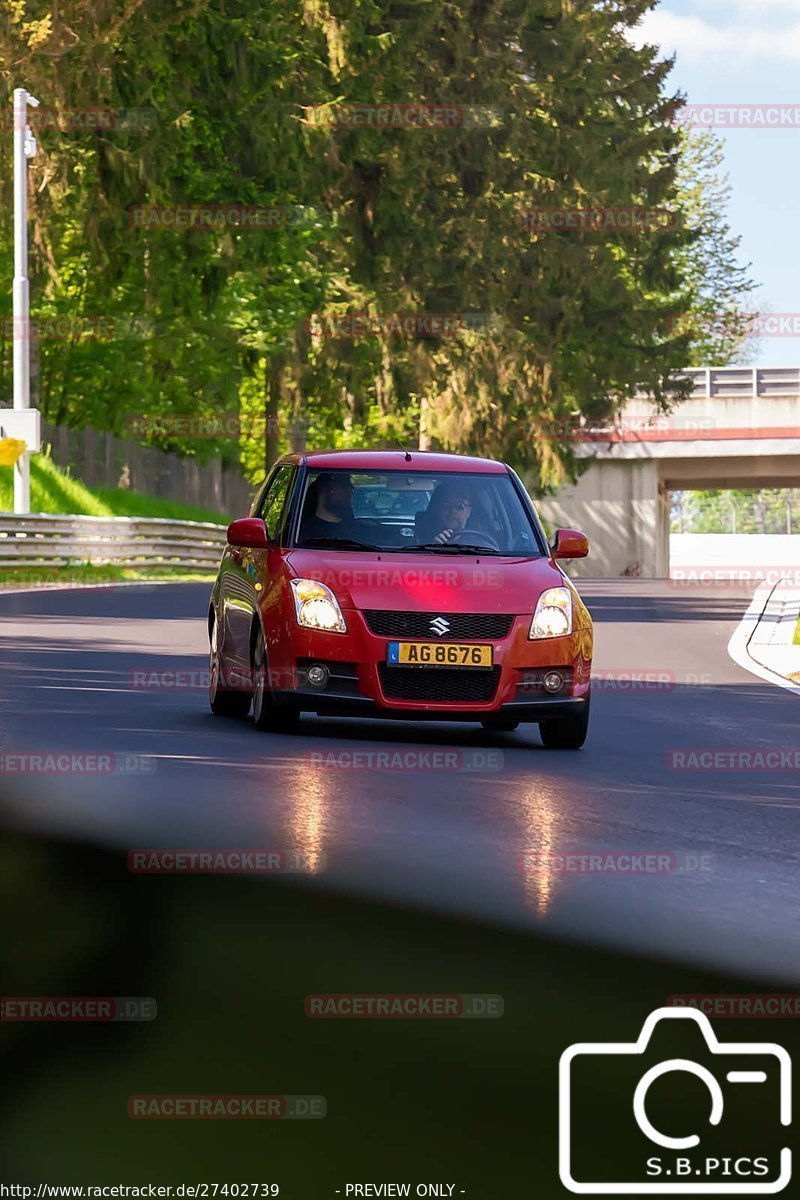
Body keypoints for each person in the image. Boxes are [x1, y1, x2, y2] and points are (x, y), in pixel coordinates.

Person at [299, 472, 358, 542]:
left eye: (350, 490)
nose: (348, 495)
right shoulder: (303, 534)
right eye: (344, 489)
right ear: (324, 491)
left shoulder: (358, 530)